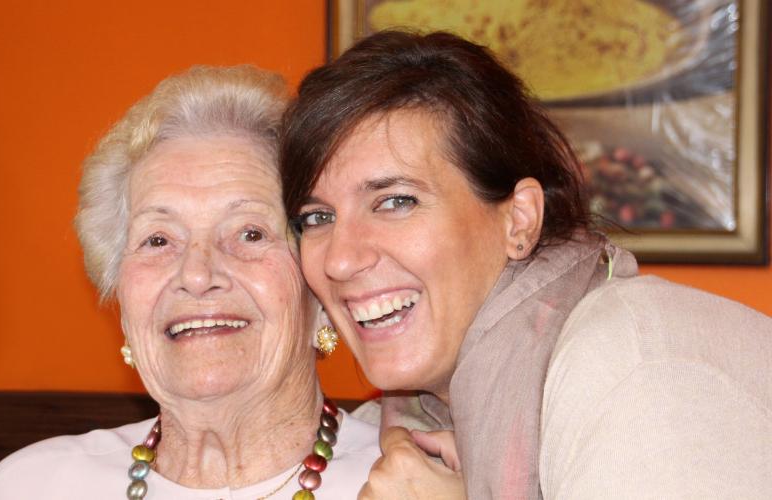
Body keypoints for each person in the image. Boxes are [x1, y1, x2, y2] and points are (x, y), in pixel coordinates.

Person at [280, 30, 772, 499]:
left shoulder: (642, 374)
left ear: (519, 221)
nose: (342, 259)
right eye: (317, 216)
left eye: (396, 201)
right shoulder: (407, 422)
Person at [0, 65, 379, 500]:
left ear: (318, 294)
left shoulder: (416, 484)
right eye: (158, 240)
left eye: (250, 233)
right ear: (123, 301)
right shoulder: (32, 486)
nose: (197, 275)